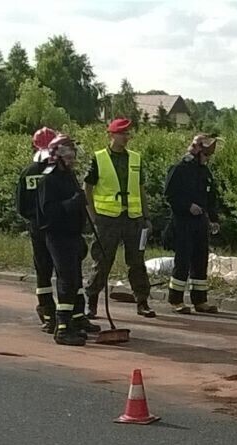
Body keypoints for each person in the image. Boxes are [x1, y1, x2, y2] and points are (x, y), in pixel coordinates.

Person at [83, 118, 155, 319]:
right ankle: (92, 301)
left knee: (137, 262)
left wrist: (146, 216)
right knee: (103, 261)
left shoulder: (135, 159)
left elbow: (141, 190)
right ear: (111, 135)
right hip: (107, 219)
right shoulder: (99, 158)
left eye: (128, 134)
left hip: (133, 218)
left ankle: (142, 301)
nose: (126, 137)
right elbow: (87, 187)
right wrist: (93, 215)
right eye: (122, 133)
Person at [36, 134, 100, 346]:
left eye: (73, 153)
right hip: (57, 236)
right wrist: (72, 203)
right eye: (68, 153)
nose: (73, 158)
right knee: (66, 280)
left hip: (73, 236)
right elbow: (49, 212)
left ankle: (72, 322)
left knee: (74, 279)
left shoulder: (70, 177)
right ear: (57, 155)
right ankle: (62, 328)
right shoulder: (49, 180)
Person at [163, 134, 220, 314]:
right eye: (206, 155)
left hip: (200, 223)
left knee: (200, 260)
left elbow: (210, 197)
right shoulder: (180, 169)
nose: (208, 159)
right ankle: (176, 300)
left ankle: (200, 300)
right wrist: (187, 206)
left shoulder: (204, 171)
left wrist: (214, 218)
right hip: (183, 222)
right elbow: (170, 195)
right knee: (183, 261)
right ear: (197, 152)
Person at [15, 127, 57, 333]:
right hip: (60, 229)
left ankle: (47, 312)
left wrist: (34, 219)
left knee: (43, 271)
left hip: (37, 229)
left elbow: (21, 206)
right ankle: (75, 315)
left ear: (34, 145)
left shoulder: (28, 172)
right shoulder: (59, 171)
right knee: (67, 271)